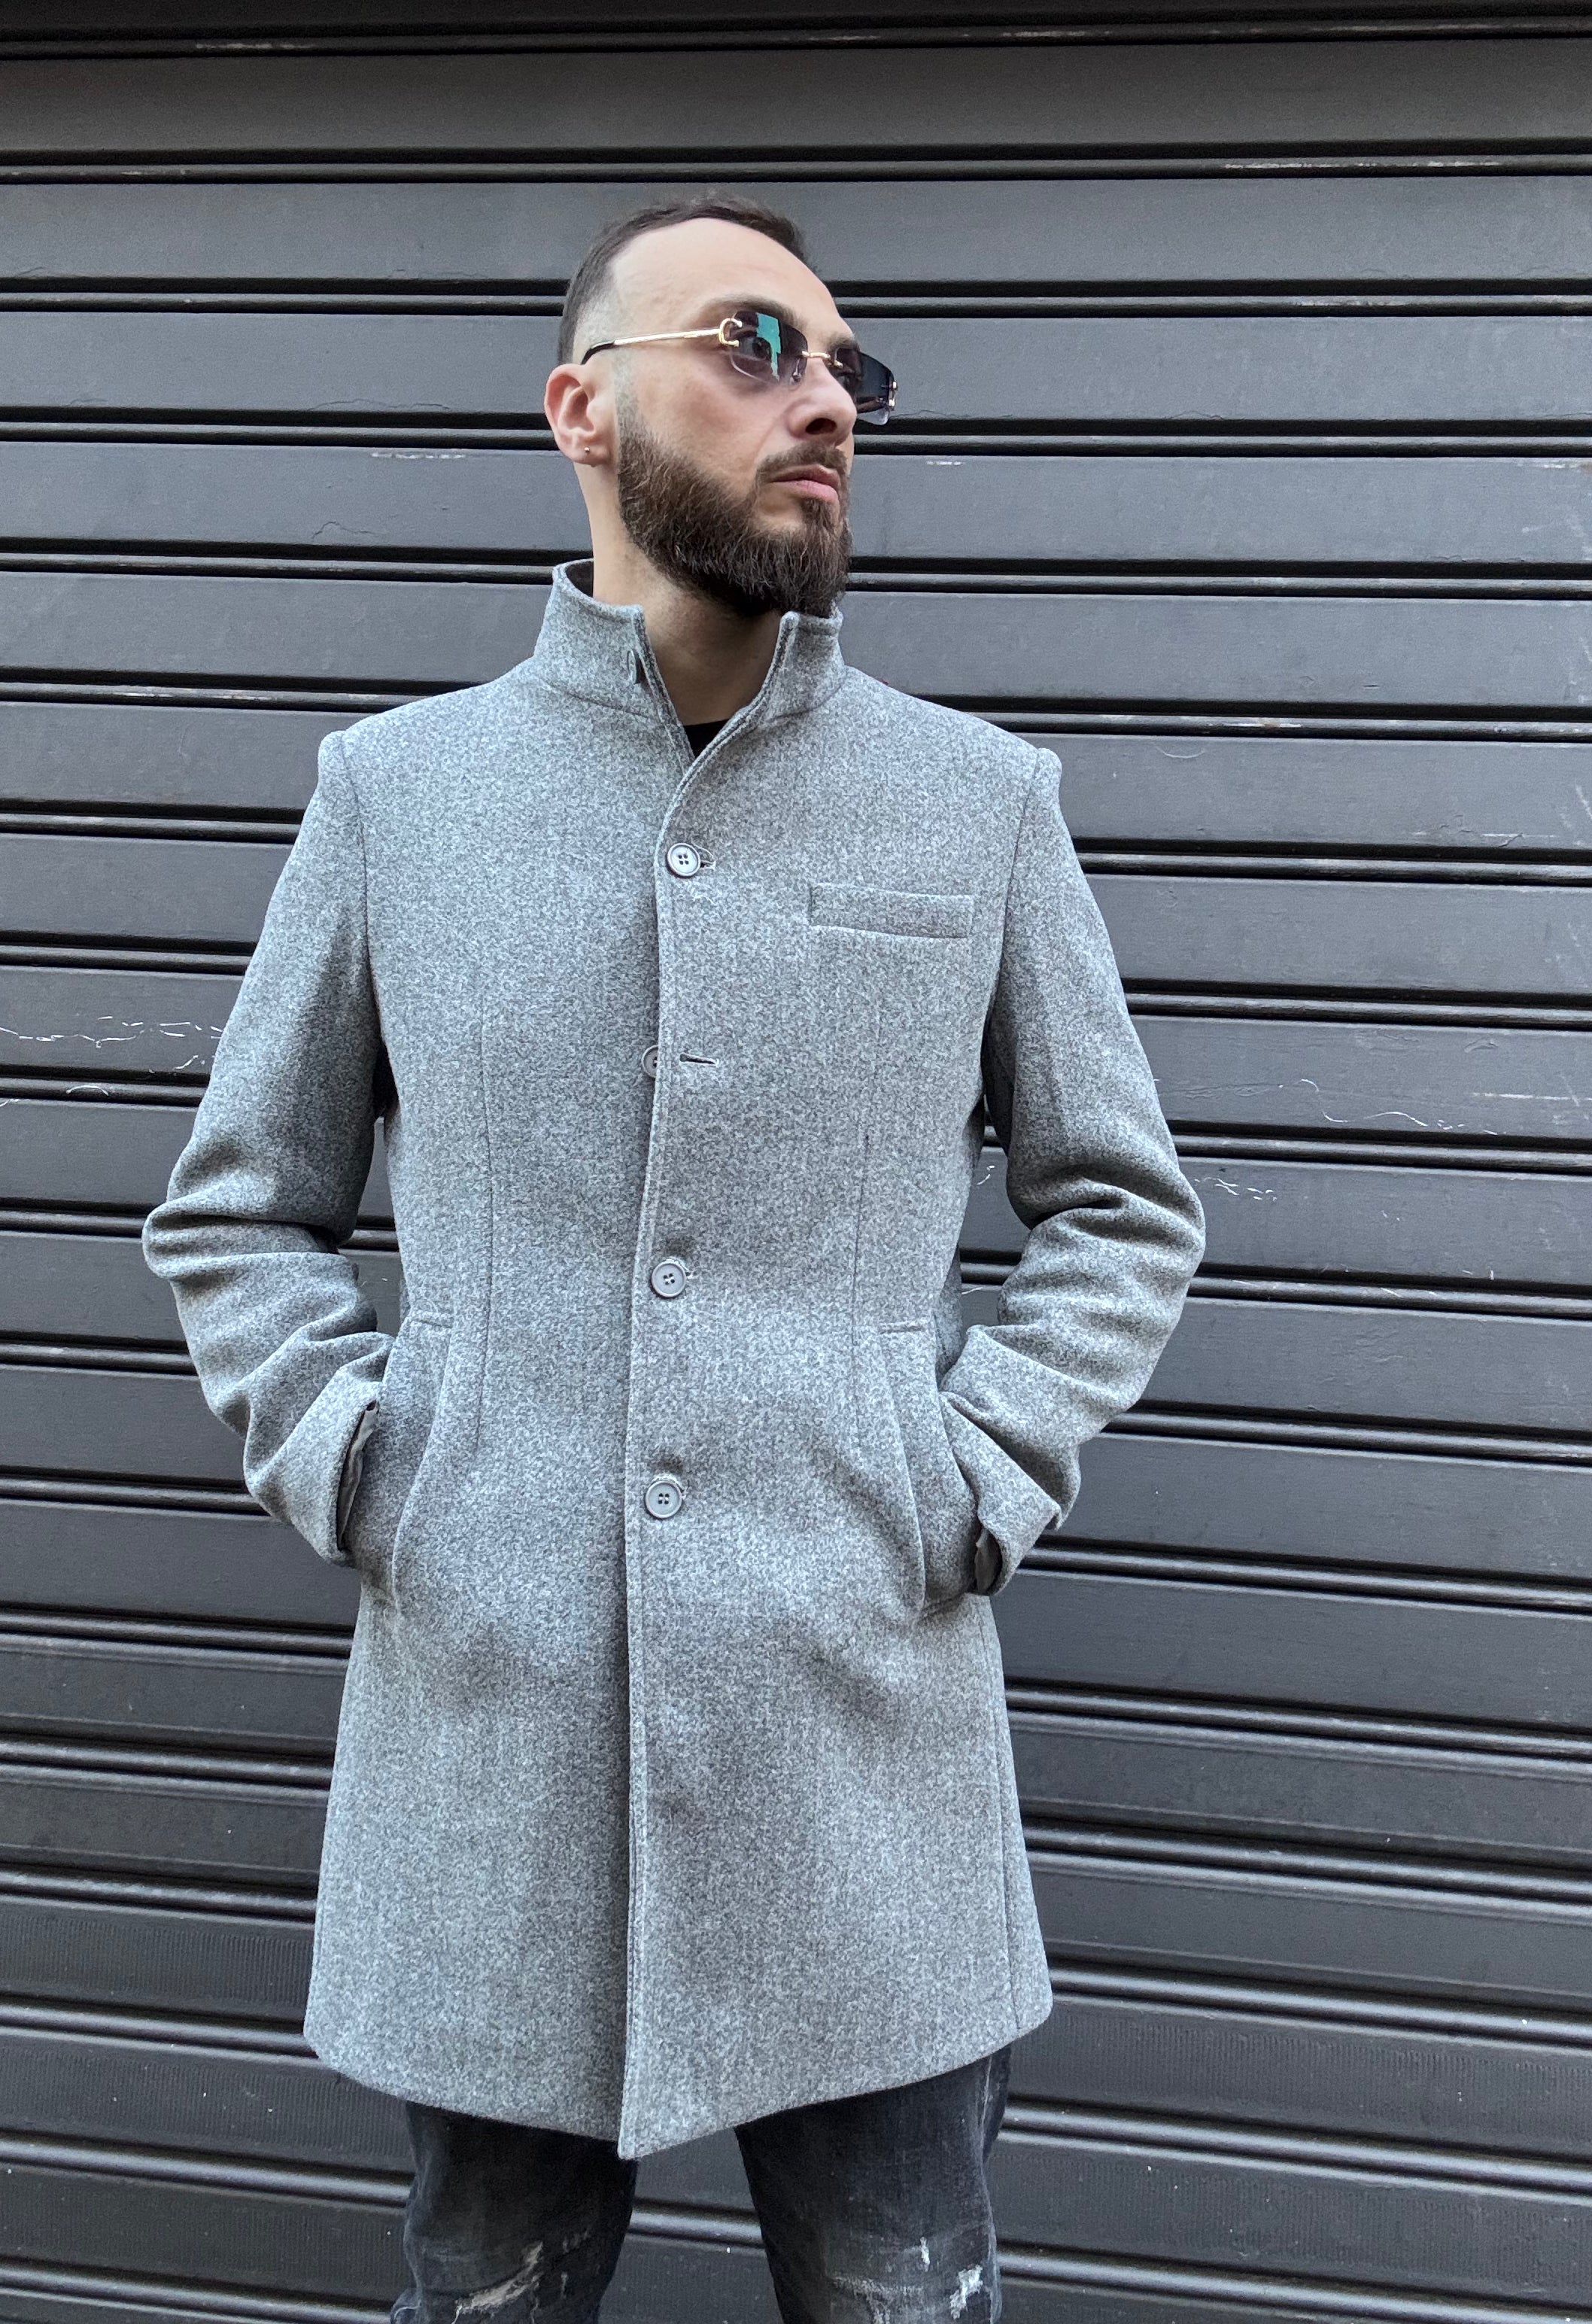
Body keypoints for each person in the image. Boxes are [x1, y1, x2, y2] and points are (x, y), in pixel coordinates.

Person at [141, 194, 1207, 2324]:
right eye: (754, 344)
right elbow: (238, 1206)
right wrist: (377, 1470)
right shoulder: (399, 798)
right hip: (496, 1756)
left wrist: (967, 1473)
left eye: (847, 369)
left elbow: (1121, 1202)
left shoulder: (975, 803)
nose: (826, 404)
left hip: (865, 1760)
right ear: (581, 408)